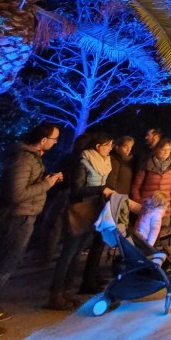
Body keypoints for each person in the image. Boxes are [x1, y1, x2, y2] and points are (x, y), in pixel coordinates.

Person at [0, 122, 62, 339]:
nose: (56, 143)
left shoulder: (32, 158)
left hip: (22, 218)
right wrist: (46, 184)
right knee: (2, 270)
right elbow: (16, 194)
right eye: (54, 139)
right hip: (16, 221)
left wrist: (48, 180)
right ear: (43, 140)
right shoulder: (23, 159)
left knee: (3, 268)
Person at [47, 131, 114, 309]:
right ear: (98, 147)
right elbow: (77, 189)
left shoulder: (105, 163)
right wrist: (101, 189)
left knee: (76, 253)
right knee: (69, 252)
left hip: (93, 209)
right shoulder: (84, 162)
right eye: (108, 145)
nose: (110, 149)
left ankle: (67, 292)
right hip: (79, 210)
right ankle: (56, 294)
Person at [80, 134, 137, 291]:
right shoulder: (113, 161)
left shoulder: (126, 162)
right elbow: (110, 183)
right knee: (98, 242)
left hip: (117, 202)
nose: (128, 150)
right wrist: (113, 197)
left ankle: (93, 275)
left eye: (130, 147)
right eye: (125, 146)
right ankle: (88, 280)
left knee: (102, 242)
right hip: (111, 202)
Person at [131, 138, 171, 230]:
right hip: (147, 206)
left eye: (169, 149)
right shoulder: (147, 164)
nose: (166, 152)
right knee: (142, 234)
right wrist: (138, 201)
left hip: (164, 207)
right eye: (163, 149)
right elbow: (136, 186)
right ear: (157, 149)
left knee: (157, 237)